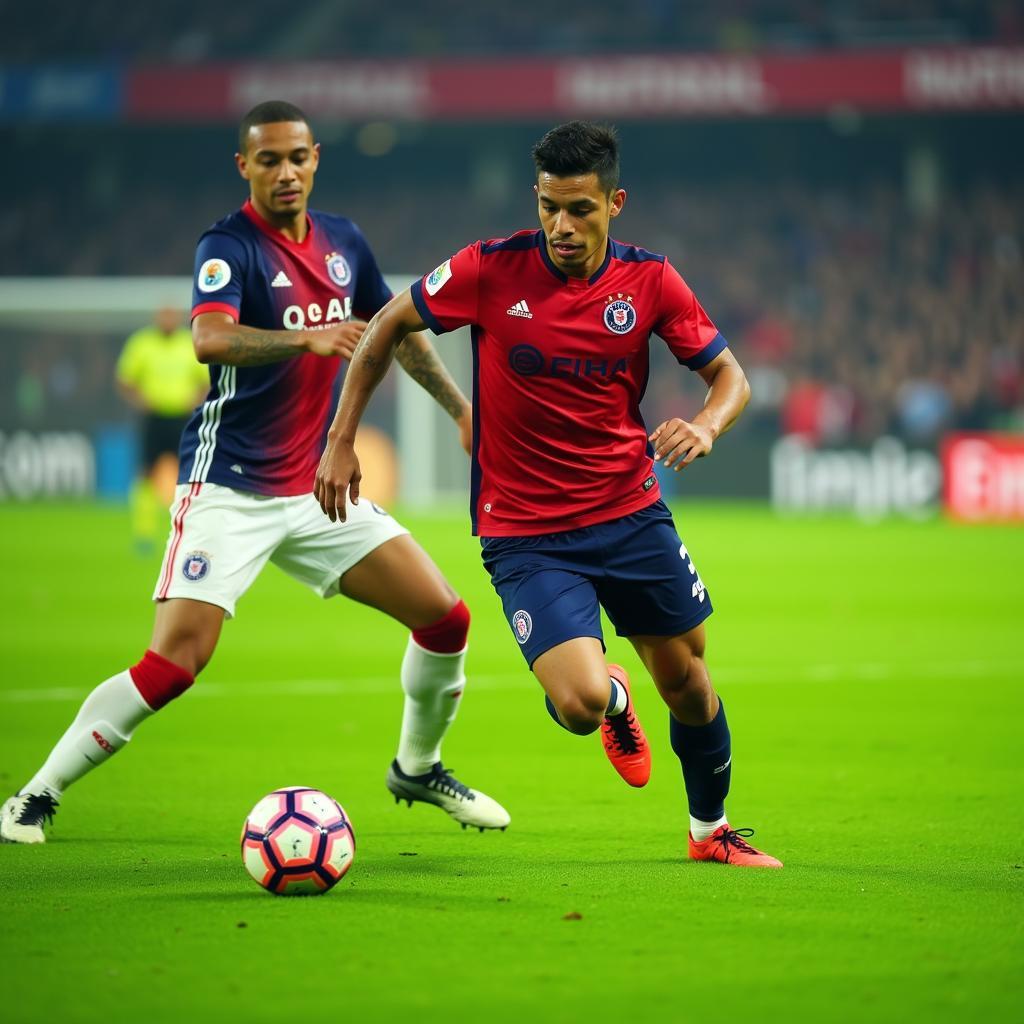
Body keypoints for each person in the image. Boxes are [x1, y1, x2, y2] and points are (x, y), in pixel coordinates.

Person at [0, 100, 509, 844]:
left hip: (313, 489)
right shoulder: (229, 244)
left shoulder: (345, 242)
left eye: (296, 157)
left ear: (316, 158)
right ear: (245, 166)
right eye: (267, 160)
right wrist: (304, 341)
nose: (285, 172)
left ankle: (417, 766)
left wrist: (461, 409)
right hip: (228, 488)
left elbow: (395, 332)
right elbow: (208, 338)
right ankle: (35, 795)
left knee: (445, 619)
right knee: (175, 664)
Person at [314, 120, 781, 868]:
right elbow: (386, 326)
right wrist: (340, 438)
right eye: (549, 206)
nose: (561, 226)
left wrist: (707, 425)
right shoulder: (488, 269)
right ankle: (613, 698)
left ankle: (710, 834)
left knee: (690, 681)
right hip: (526, 532)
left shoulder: (652, 281)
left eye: (581, 210)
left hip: (629, 513)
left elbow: (732, 378)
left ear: (615, 202)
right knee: (580, 704)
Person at [115, 306, 209, 552]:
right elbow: (125, 379)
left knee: (190, 474)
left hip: (182, 418)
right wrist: (139, 400)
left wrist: (195, 400)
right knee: (146, 473)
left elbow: (205, 380)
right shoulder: (142, 343)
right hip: (153, 417)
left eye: (171, 315)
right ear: (157, 317)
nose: (167, 319)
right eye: (163, 315)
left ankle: (188, 529)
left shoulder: (189, 341)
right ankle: (144, 534)